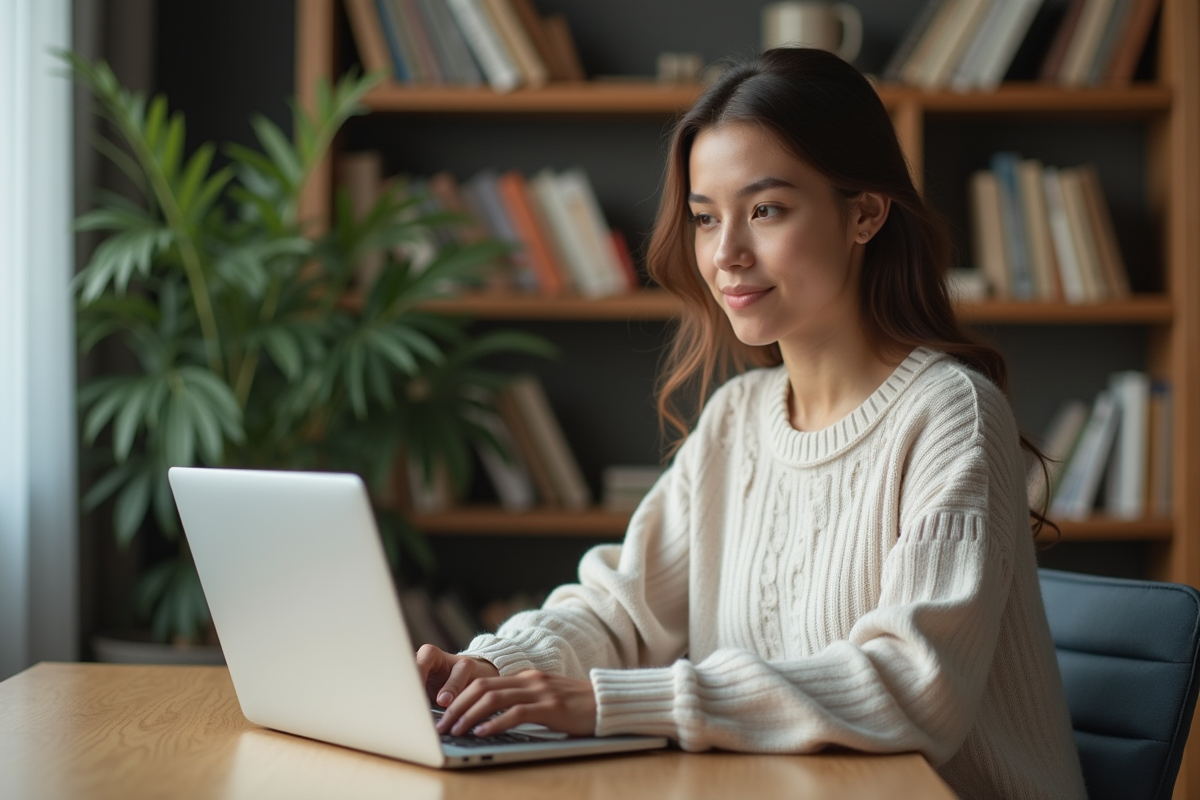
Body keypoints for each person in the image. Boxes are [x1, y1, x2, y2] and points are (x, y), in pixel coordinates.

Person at [416, 48, 1087, 799]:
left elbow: (910, 687)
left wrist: (611, 703)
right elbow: (619, 608)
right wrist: (497, 666)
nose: (726, 254)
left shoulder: (950, 415)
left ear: (864, 212)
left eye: (765, 210)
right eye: (706, 218)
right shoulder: (738, 419)